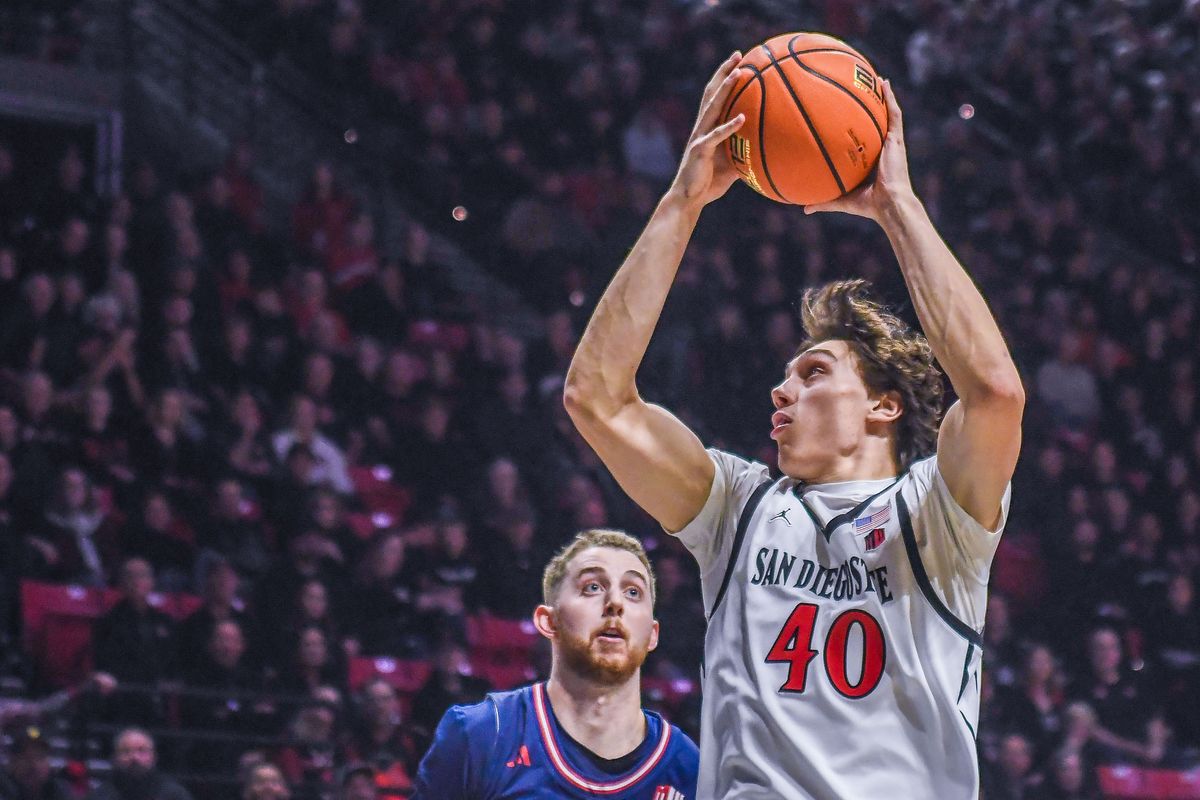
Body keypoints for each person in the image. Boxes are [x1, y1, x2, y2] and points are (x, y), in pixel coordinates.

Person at [563, 55, 1024, 799]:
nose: (782, 389)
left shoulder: (937, 516)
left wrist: (897, 206)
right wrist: (683, 201)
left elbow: (996, 392)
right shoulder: (738, 510)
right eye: (785, 375)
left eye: (813, 373)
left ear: (885, 406)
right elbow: (597, 398)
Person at [412, 529, 698, 798]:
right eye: (593, 587)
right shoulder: (482, 734)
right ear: (548, 622)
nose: (615, 602)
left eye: (633, 592)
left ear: (652, 634)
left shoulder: (687, 766)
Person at [86, 727, 193, 800]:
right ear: (115, 758)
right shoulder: (100, 797)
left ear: (154, 756)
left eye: (142, 750)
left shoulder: (174, 795)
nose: (134, 758)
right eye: (126, 751)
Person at [0, 725, 74, 800]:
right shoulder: (4, 792)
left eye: (40, 757)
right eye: (25, 758)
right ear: (12, 763)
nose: (33, 764)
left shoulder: (58, 792)